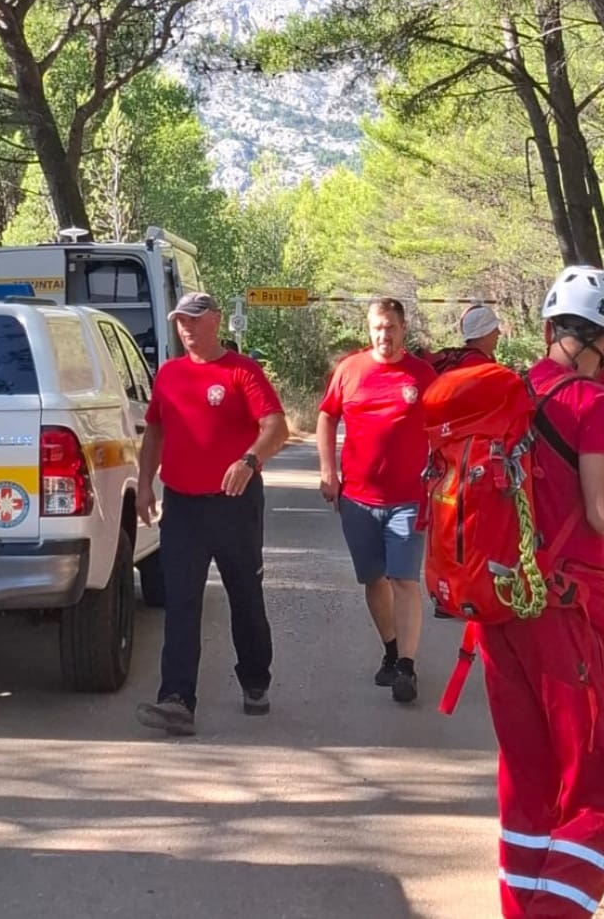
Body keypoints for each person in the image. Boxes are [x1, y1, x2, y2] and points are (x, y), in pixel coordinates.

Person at [481, 265, 604, 918]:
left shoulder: (506, 392)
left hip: (498, 610)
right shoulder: (591, 403)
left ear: (547, 329)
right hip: (566, 615)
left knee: (531, 785)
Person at [135, 292, 289, 736]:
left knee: (245, 595)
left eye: (196, 320)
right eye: (181, 321)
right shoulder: (169, 374)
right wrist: (146, 484)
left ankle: (255, 679)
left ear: (216, 321)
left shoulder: (242, 371)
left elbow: (275, 426)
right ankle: (177, 699)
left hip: (234, 504)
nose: (187, 328)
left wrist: (250, 461)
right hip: (182, 506)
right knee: (181, 602)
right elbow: (155, 431)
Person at [316, 298, 437, 704]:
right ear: (369, 330)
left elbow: (444, 426)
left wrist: (444, 477)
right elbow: (327, 416)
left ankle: (406, 666)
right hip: (358, 499)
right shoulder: (350, 371)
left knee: (404, 579)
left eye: (390, 327)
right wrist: (328, 471)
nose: (383, 334)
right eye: (376, 327)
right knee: (373, 579)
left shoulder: (422, 375)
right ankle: (390, 647)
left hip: (409, 498)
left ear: (403, 329)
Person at [423, 304, 502, 374]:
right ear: (483, 334)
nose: (499, 333)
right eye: (495, 329)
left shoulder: (459, 357)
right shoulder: (479, 365)